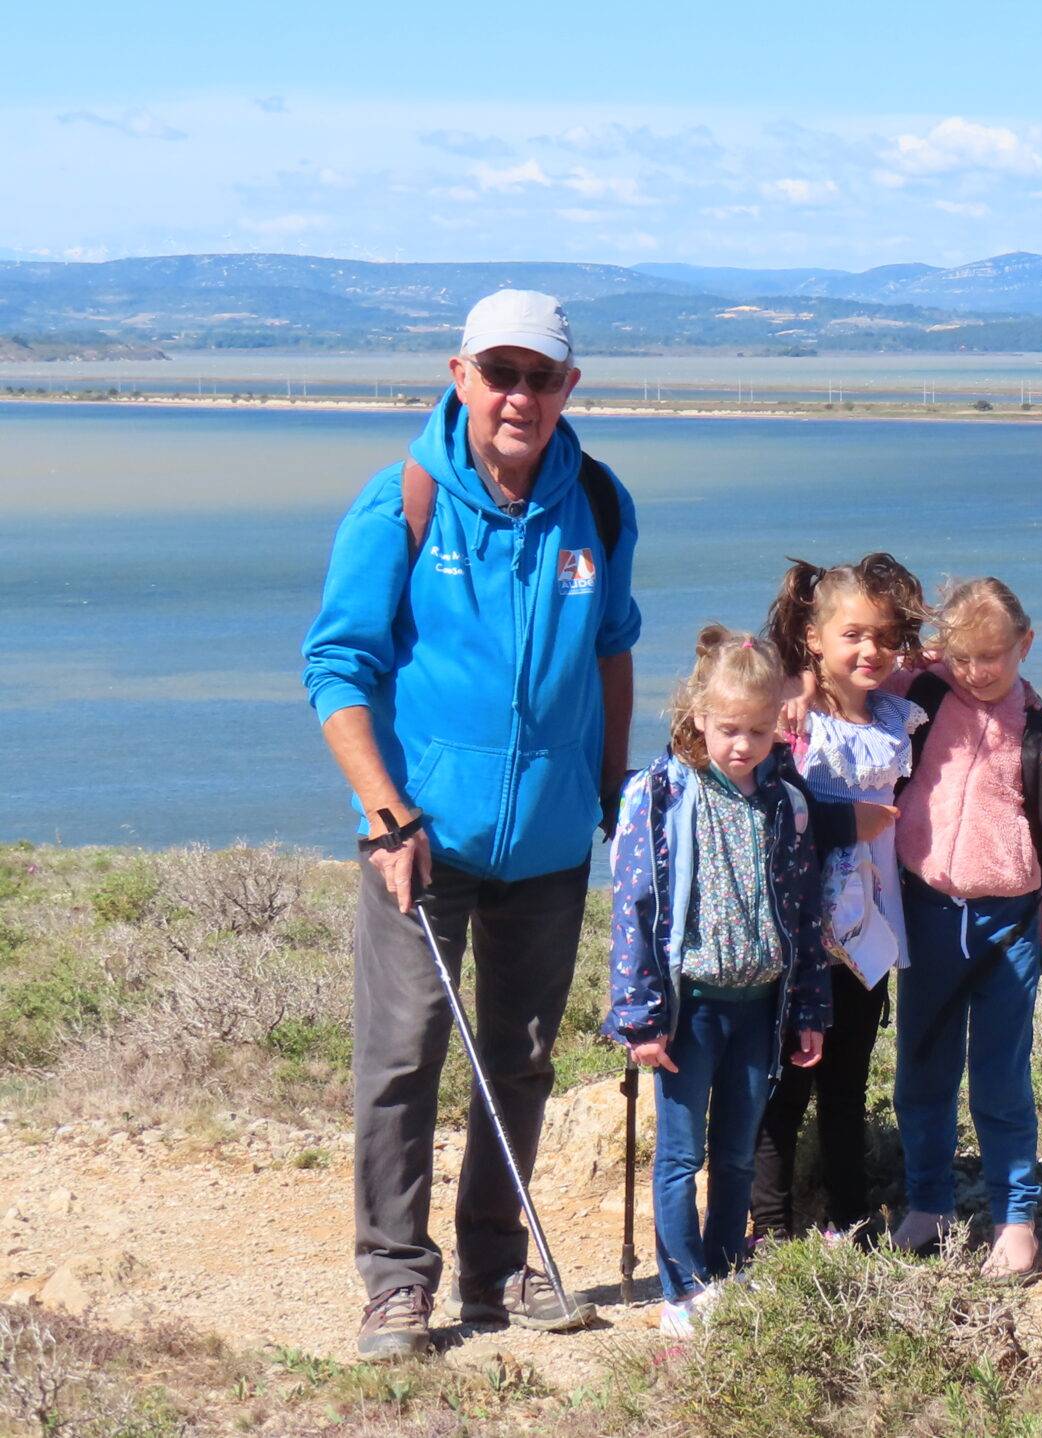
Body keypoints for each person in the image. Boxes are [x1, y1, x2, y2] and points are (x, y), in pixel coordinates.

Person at [301, 289, 638, 1361]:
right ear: (459, 376)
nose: (519, 395)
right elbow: (337, 665)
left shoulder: (601, 503)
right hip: (418, 839)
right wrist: (386, 809)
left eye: (540, 376)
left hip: (546, 844)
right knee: (402, 1056)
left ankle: (497, 1263)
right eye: (500, 372)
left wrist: (615, 787)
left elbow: (612, 650)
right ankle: (395, 1280)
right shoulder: (400, 499)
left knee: (521, 1059)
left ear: (568, 389)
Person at [606, 626, 832, 1337]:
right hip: (689, 1010)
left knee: (738, 1153)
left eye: (759, 732)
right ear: (699, 715)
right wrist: (639, 1017)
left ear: (777, 729)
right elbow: (634, 907)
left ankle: (727, 1270)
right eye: (730, 729)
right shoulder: (659, 795)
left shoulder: (787, 804)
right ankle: (682, 1290)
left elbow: (804, 914)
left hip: (759, 1004)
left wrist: (808, 1010)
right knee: (680, 1156)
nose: (743, 745)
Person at [890, 578, 1042, 1277]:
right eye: (964, 656)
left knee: (1000, 1076)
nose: (978, 671)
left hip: (1006, 921)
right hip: (925, 911)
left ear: (1025, 645)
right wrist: (918, 656)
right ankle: (929, 1205)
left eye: (994, 656)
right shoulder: (920, 695)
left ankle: (1016, 1220)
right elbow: (852, 684)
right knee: (922, 1068)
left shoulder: (1037, 729)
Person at [749, 555, 928, 1244]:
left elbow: (971, 669)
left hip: (871, 931)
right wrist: (841, 822)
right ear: (813, 636)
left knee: (849, 1080)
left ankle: (848, 1219)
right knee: (788, 1084)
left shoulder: (893, 713)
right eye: (853, 634)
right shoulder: (791, 719)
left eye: (885, 636)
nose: (871, 650)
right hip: (802, 935)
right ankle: (770, 1228)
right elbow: (761, 811)